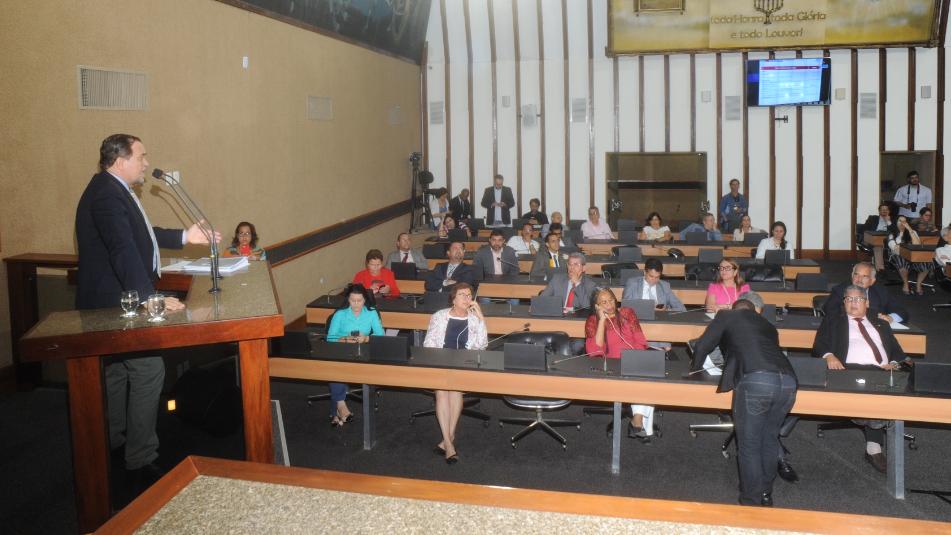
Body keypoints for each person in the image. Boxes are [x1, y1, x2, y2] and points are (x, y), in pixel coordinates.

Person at [76, 133, 219, 487]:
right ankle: (140, 459)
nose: (145, 163)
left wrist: (184, 237)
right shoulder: (107, 195)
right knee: (148, 369)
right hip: (117, 303)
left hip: (111, 301)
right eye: (141, 156)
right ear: (120, 160)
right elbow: (122, 248)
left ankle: (113, 440)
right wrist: (147, 298)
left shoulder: (112, 190)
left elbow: (141, 233)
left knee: (117, 371)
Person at [692, 292, 797, 506]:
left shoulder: (726, 315)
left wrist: (693, 370)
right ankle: (765, 493)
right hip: (788, 382)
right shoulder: (768, 326)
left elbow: (703, 345)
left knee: (749, 444)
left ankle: (751, 501)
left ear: (734, 308)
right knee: (769, 439)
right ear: (754, 311)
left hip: (757, 381)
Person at [813, 285, 908, 474]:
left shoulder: (881, 323)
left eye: (857, 299)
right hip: (849, 370)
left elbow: (898, 353)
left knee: (890, 386)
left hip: (882, 371)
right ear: (844, 303)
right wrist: (829, 356)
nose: (853, 303)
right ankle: (874, 447)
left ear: (867, 303)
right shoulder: (833, 320)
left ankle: (869, 418)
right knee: (873, 393)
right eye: (848, 299)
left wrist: (893, 364)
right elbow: (819, 345)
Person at [422, 283, 488, 464]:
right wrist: (442, 360)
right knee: (442, 392)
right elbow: (428, 343)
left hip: (463, 364)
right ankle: (449, 442)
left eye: (469, 295)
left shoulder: (474, 320)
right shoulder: (439, 316)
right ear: (453, 299)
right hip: (440, 362)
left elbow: (482, 345)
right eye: (462, 295)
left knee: (456, 390)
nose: (467, 298)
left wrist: (481, 318)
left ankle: (447, 439)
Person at [584, 288, 655, 442]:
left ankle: (637, 421)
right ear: (596, 306)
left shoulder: (627, 313)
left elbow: (640, 340)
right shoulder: (593, 321)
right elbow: (595, 351)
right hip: (612, 365)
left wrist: (636, 358)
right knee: (644, 380)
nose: (609, 305)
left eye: (611, 300)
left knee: (648, 375)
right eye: (603, 302)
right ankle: (639, 423)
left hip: (634, 359)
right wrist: (602, 321)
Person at [326, 284, 384, 426]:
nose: (356, 304)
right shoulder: (340, 314)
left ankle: (336, 409)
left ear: (365, 300)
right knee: (336, 366)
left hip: (362, 349)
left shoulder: (371, 313)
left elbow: (381, 335)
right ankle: (341, 405)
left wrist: (366, 338)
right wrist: (344, 339)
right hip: (342, 348)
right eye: (353, 300)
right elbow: (330, 338)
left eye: (359, 300)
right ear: (348, 299)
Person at [823, 262, 909, 324]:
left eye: (865, 276)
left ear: (872, 281)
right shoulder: (840, 290)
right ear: (852, 276)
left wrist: (890, 318)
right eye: (856, 275)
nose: (859, 280)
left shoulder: (881, 291)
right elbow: (829, 310)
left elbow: (901, 312)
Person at [887, 215, 931, 295]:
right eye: (900, 221)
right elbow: (895, 248)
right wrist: (901, 233)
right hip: (898, 255)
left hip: (913, 256)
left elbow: (917, 245)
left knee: (927, 261)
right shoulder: (892, 233)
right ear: (896, 222)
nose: (902, 223)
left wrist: (910, 229)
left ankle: (918, 284)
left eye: (904, 221)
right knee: (901, 261)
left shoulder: (912, 232)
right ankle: (905, 283)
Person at [863, 203, 897, 272]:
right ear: (879, 211)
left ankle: (896, 265)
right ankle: (880, 270)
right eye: (882, 210)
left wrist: (888, 222)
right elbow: (864, 230)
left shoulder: (893, 220)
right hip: (874, 240)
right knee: (878, 246)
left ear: (889, 211)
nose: (884, 211)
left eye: (886, 210)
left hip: (889, 240)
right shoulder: (872, 218)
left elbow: (895, 232)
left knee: (895, 246)